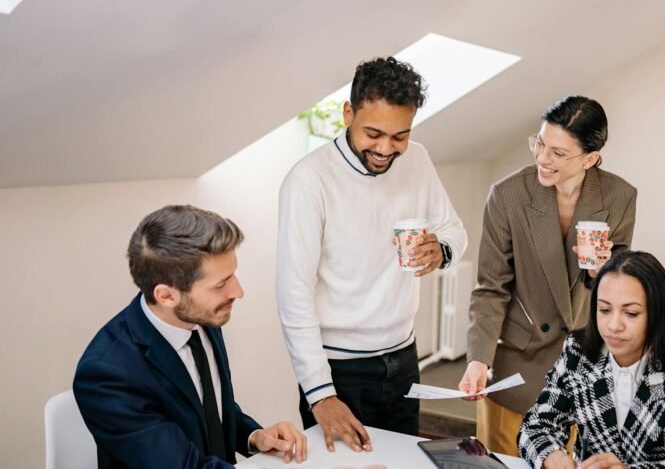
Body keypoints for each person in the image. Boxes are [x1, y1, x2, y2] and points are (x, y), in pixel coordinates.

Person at [276, 57, 467, 452]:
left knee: (405, 461)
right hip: (340, 370)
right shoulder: (309, 181)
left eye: (400, 136)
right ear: (348, 113)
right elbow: (294, 295)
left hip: (404, 357)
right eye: (374, 133)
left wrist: (443, 249)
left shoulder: (417, 159)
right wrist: (320, 394)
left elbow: (454, 230)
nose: (385, 149)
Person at [459, 95, 637, 455]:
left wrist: (602, 272)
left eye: (558, 152)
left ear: (590, 158)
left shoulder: (620, 196)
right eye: (540, 143)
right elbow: (491, 288)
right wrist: (478, 358)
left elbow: (619, 286)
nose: (542, 158)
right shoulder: (507, 195)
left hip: (585, 363)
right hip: (519, 363)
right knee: (503, 461)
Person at [73, 205, 307, 468]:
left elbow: (207, 408)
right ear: (167, 295)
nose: (238, 292)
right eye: (220, 284)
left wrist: (253, 437)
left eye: (232, 275)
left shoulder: (201, 316)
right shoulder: (106, 375)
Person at [519, 251, 665, 468]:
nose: (614, 325)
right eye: (604, 309)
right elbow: (536, 425)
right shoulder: (578, 352)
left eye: (631, 313)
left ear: (657, 313)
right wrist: (553, 457)